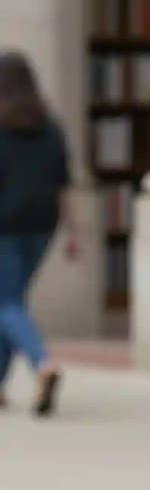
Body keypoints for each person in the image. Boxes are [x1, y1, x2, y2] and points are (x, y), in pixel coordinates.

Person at [0, 50, 78, 414]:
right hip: (43, 227)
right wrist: (74, 231)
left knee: (6, 303)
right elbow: (64, 182)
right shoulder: (49, 126)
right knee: (11, 303)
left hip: (5, 227)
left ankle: (42, 364)